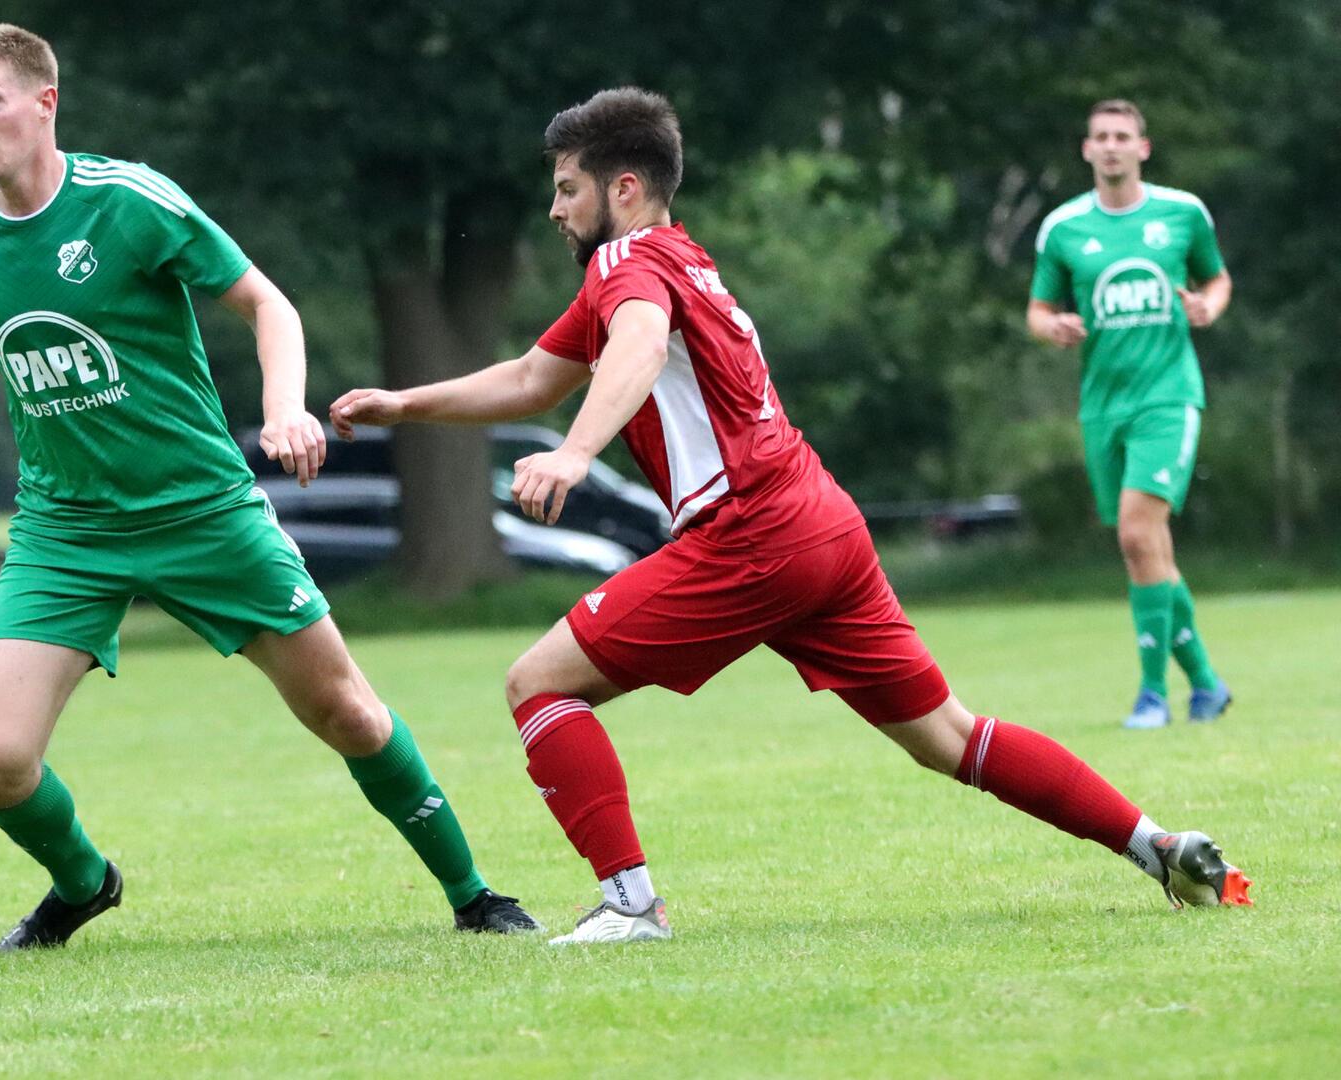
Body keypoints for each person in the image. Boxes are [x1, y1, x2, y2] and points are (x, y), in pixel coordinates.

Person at [330, 88, 1250, 944]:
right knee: (950, 738)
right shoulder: (675, 256)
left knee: (539, 685)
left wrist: (575, 454)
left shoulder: (625, 262)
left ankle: (630, 904)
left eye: (568, 189)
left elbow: (641, 345)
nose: (555, 210)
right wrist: (407, 406)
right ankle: (1157, 845)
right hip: (823, 521)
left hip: (754, 534)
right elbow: (533, 377)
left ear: (625, 187)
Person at [0, 23, 536, 949]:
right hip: (63, 529)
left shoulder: (129, 202)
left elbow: (266, 303)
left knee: (345, 709)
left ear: (45, 103)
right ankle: (84, 883)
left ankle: (475, 898)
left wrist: (284, 408)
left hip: (202, 510)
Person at [1026, 100, 1233, 730]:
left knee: (1139, 537)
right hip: (1102, 406)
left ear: (1144, 147)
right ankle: (1205, 682)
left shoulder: (1182, 214)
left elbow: (1217, 281)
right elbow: (1036, 310)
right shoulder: (1063, 229)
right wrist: (1052, 326)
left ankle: (1152, 696)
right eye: (1101, 137)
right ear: (1086, 150)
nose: (1112, 146)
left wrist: (1208, 308)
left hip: (1168, 397)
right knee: (1148, 552)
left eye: (1123, 136)